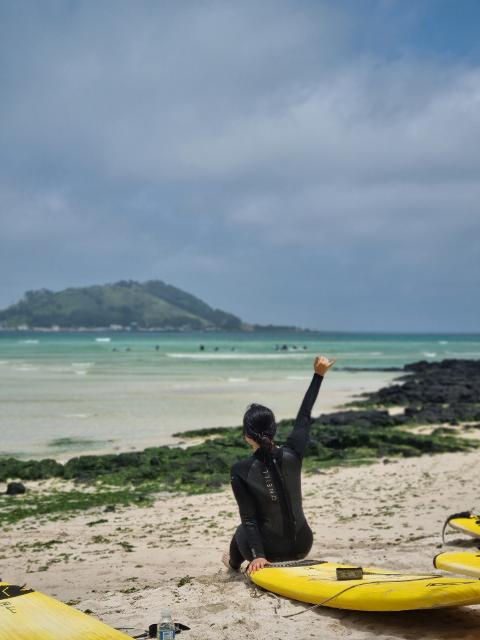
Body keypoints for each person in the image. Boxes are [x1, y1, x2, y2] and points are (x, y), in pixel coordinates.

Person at [223, 355, 335, 575]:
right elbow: (304, 416)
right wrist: (318, 375)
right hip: (303, 545)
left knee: (240, 531)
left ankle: (232, 564)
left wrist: (258, 555)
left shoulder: (240, 470)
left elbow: (249, 518)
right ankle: (238, 561)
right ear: (274, 429)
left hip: (270, 552)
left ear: (247, 436)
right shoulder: (294, 452)